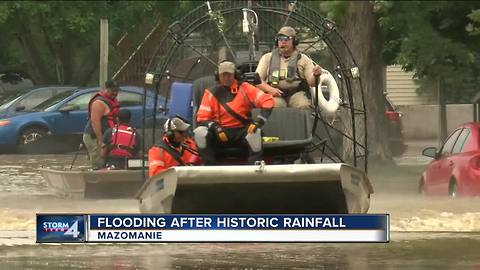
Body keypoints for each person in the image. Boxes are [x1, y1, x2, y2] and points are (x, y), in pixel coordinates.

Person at [194, 61, 274, 165]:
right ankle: (210, 166)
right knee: (200, 132)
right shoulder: (210, 93)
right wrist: (216, 128)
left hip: (243, 131)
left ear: (235, 75)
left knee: (255, 133)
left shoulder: (245, 88)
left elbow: (268, 101)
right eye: (223, 75)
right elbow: (202, 118)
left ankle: (255, 167)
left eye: (229, 74)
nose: (226, 77)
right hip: (220, 134)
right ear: (218, 76)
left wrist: (258, 122)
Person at [255, 26, 323, 110]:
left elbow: (312, 83)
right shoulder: (267, 58)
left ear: (294, 41)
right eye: (280, 39)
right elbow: (257, 80)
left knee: (303, 105)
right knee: (273, 105)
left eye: (286, 39)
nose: (283, 42)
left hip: (296, 93)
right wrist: (270, 89)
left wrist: (316, 75)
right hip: (274, 93)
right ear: (277, 41)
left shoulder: (303, 59)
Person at [83, 80, 120, 169]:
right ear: (106, 89)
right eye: (112, 91)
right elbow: (95, 122)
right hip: (94, 137)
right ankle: (95, 179)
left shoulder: (112, 101)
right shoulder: (98, 103)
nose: (115, 93)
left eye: (116, 91)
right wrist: (101, 141)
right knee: (98, 161)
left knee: (107, 161)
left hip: (105, 136)